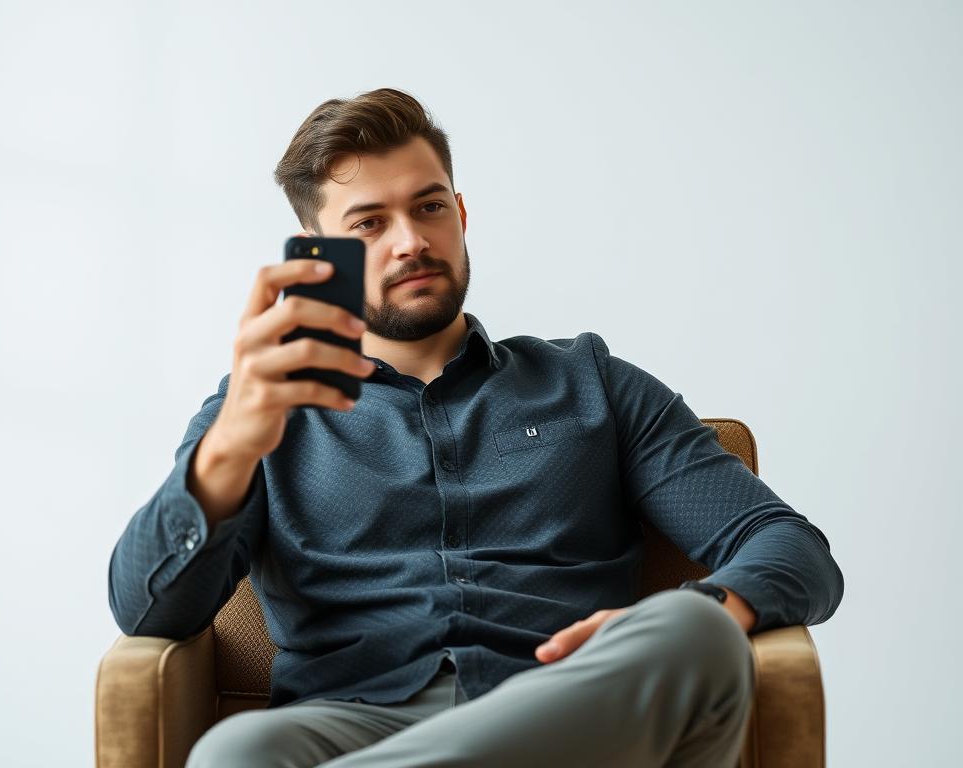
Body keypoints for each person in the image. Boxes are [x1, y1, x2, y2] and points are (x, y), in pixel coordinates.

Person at [108, 87, 844, 767]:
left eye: (428, 208)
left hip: (571, 718)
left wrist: (714, 604)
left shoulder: (594, 384)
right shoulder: (261, 406)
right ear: (314, 253)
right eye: (368, 223)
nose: (409, 241)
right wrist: (232, 445)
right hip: (349, 719)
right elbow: (147, 611)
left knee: (699, 631)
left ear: (460, 217)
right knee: (235, 754)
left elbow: (792, 549)